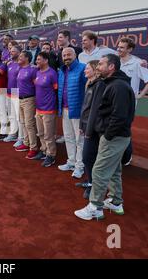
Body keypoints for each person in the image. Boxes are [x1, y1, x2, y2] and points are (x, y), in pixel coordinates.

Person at [74, 54, 135, 221]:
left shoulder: (118, 87)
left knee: (99, 170)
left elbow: (119, 116)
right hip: (114, 135)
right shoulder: (113, 84)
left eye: (101, 64)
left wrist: (107, 135)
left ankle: (95, 207)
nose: (98, 67)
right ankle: (116, 202)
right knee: (114, 169)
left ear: (111, 67)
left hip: (114, 136)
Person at [118, 37, 148, 165]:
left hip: (128, 103)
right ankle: (117, 155)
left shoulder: (138, 63)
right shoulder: (115, 61)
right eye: (118, 46)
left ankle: (127, 157)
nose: (119, 49)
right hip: (114, 101)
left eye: (122, 47)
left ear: (130, 49)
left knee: (124, 128)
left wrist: (140, 95)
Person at [77, 60, 106, 199]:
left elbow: (94, 110)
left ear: (95, 70)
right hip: (88, 126)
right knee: (88, 157)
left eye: (87, 68)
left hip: (94, 129)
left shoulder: (99, 85)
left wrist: (88, 130)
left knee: (88, 157)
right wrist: (83, 126)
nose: (84, 71)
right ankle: (90, 181)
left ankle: (93, 185)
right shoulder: (90, 84)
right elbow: (86, 108)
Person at [57, 48, 87, 178]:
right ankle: (71, 162)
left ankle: (80, 167)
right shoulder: (62, 70)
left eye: (69, 54)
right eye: (64, 55)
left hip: (78, 110)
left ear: (75, 55)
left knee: (80, 140)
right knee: (68, 137)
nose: (66, 57)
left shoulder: (83, 68)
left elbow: (88, 90)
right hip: (64, 109)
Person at [34, 52, 58, 167]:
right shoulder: (38, 72)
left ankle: (51, 155)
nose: (37, 61)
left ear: (46, 60)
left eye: (39, 59)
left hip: (48, 109)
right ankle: (43, 151)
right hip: (38, 109)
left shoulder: (52, 73)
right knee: (41, 133)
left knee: (49, 135)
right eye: (37, 59)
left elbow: (56, 90)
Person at [14, 50, 39, 159]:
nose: (19, 58)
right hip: (20, 99)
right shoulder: (20, 68)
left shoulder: (33, 69)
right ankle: (26, 142)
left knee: (29, 124)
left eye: (21, 56)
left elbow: (36, 85)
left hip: (29, 99)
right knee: (23, 122)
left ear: (27, 58)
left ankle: (33, 148)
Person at [4, 45, 23, 144]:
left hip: (17, 92)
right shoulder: (9, 64)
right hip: (9, 92)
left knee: (19, 117)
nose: (11, 52)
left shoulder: (22, 64)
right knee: (11, 116)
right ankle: (12, 134)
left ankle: (21, 137)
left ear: (20, 52)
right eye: (10, 51)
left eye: (14, 51)